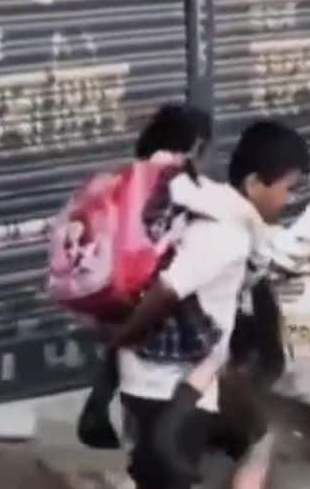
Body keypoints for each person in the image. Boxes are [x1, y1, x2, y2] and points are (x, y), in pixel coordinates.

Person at [107, 120, 310, 489]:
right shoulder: (222, 232)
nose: (288, 199)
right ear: (254, 185)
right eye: (287, 188)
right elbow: (169, 291)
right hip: (172, 384)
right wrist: (121, 341)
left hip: (193, 376)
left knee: (255, 438)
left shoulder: (220, 213)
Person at [77, 103, 229, 452]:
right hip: (163, 305)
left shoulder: (125, 175)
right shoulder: (175, 180)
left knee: (125, 353)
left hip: (117, 286)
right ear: (193, 144)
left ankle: (101, 408)